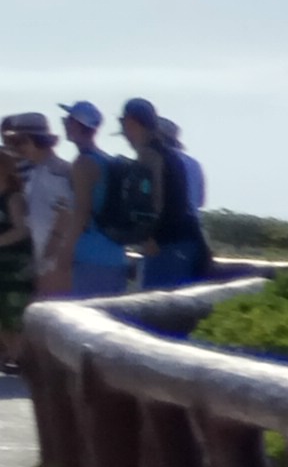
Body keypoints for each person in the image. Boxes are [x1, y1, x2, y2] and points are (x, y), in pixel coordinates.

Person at [112, 101, 210, 288]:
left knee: (159, 301)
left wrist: (149, 236)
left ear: (131, 122)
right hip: (186, 242)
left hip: (166, 245)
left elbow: (155, 200)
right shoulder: (170, 156)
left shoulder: (150, 155)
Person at [54, 104, 126, 299]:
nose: (64, 124)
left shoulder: (83, 163)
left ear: (78, 125)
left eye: (68, 120)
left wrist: (66, 248)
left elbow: (82, 211)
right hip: (115, 252)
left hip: (90, 255)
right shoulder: (107, 160)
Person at [1, 114, 64, 317]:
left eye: (20, 141)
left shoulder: (57, 172)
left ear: (33, 139)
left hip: (55, 265)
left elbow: (66, 218)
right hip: (39, 263)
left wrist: (46, 261)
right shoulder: (36, 172)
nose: (16, 148)